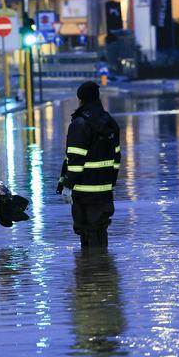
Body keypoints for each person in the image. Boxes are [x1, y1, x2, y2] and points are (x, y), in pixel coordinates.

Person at [57, 81, 121, 251]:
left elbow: (75, 161)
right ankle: (103, 264)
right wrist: (111, 185)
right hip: (105, 192)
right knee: (100, 229)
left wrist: (67, 186)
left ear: (80, 99)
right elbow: (116, 159)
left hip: (84, 192)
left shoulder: (79, 125)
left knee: (86, 231)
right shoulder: (110, 123)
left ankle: (90, 266)